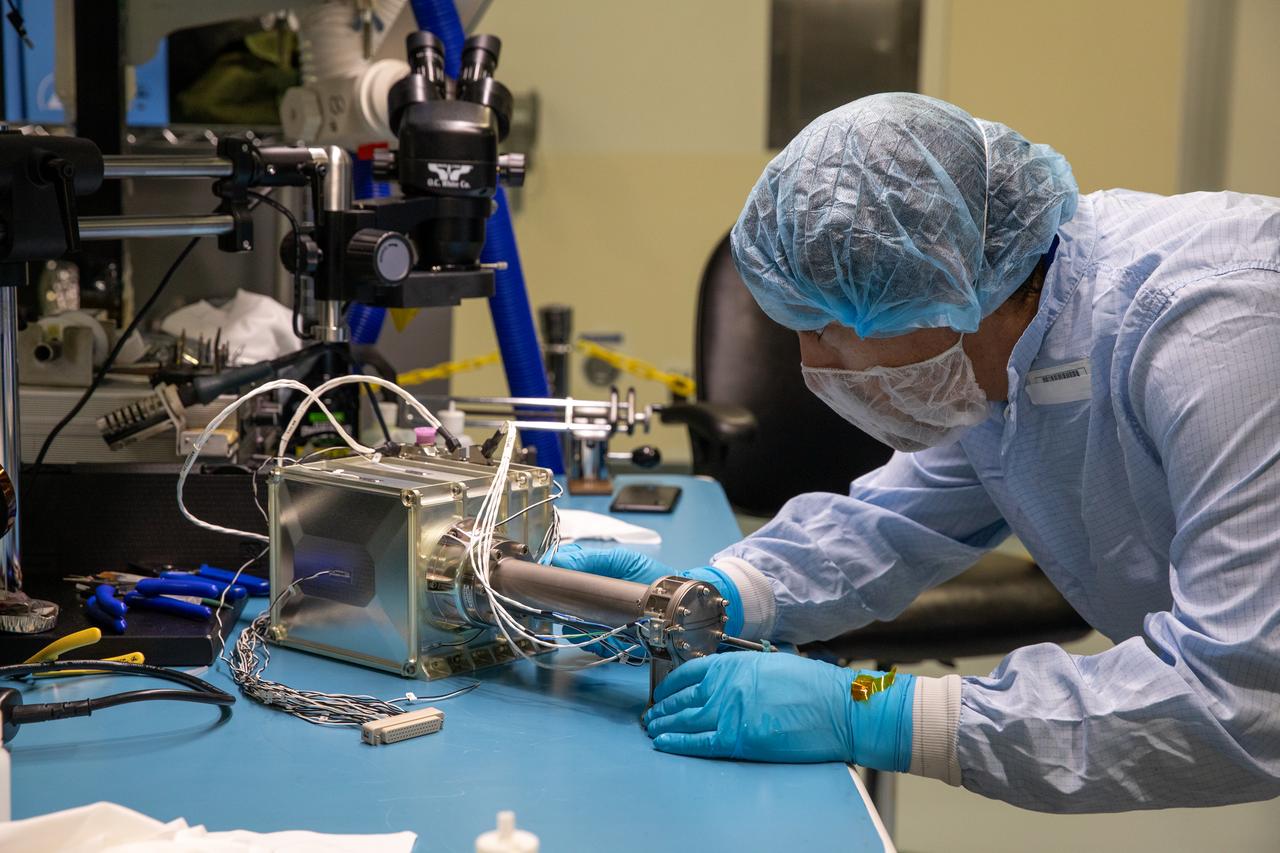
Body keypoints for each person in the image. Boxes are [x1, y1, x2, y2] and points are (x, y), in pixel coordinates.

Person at [553, 92, 1280, 812]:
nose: (813, 363)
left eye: (829, 323)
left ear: (937, 286)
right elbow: (892, 523)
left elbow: (1243, 698)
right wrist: (705, 596)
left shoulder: (1213, 335)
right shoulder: (1001, 332)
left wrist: (876, 710)